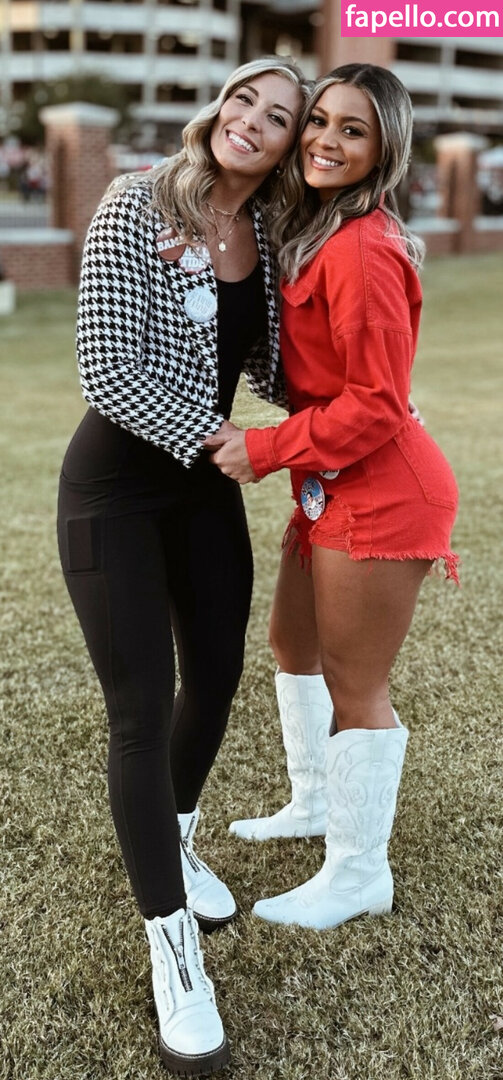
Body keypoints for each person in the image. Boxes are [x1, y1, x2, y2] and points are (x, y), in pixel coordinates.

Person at [57, 57, 306, 1075]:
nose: (251, 119)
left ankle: (176, 839)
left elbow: (274, 365)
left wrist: (360, 403)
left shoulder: (270, 235)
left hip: (202, 489)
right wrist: (226, 445)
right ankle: (172, 951)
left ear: (288, 148)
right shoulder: (135, 200)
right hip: (115, 488)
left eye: (277, 116)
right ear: (219, 107)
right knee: (139, 710)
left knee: (215, 677)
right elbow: (106, 368)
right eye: (243, 98)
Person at [206, 63, 459, 930]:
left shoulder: (361, 248)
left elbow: (377, 404)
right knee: (293, 642)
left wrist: (263, 448)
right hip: (332, 479)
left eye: (353, 130)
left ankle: (358, 873)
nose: (323, 140)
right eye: (318, 120)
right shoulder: (319, 228)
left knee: (357, 682)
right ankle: (314, 801)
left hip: (384, 489)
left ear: (383, 150)